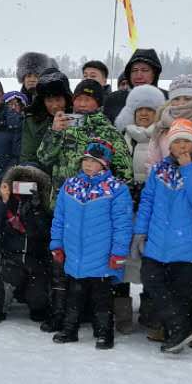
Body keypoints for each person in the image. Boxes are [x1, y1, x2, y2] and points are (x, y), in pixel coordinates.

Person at [133, 120, 192, 354]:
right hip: (157, 242)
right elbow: (147, 201)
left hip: (187, 243)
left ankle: (176, 333)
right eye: (176, 142)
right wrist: (140, 231)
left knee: (181, 292)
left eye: (186, 142)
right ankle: (181, 328)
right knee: (152, 281)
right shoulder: (159, 170)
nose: (181, 146)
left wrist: (188, 168)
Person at [49, 140, 133, 348]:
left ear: (104, 165)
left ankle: (104, 332)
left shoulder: (117, 190)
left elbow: (122, 225)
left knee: (101, 298)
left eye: (93, 161)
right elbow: (59, 218)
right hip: (74, 254)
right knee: (74, 295)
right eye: (85, 159)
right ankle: (70, 329)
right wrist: (57, 244)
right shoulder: (70, 186)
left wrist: (118, 253)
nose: (87, 164)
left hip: (102, 256)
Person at [0, 165, 54, 325]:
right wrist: (2, 201)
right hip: (11, 258)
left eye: (29, 183)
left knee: (39, 303)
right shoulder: (7, 203)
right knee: (3, 290)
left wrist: (36, 209)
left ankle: (31, 299)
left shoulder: (42, 205)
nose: (24, 187)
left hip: (35, 260)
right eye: (20, 182)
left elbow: (45, 233)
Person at [36, 78, 133, 190]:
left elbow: (125, 174)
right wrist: (54, 132)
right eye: (78, 99)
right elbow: (44, 158)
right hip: (62, 200)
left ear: (98, 103)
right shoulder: (63, 126)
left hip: (95, 202)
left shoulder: (110, 133)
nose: (82, 104)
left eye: (87, 100)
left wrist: (106, 195)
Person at [20, 70, 72, 168]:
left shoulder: (76, 118)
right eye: (49, 101)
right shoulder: (32, 121)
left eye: (58, 100)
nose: (55, 105)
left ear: (67, 99)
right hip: (41, 178)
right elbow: (28, 158)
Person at [102, 49, 163, 123]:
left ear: (154, 74)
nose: (138, 76)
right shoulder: (113, 100)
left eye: (144, 70)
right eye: (134, 70)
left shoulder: (167, 100)